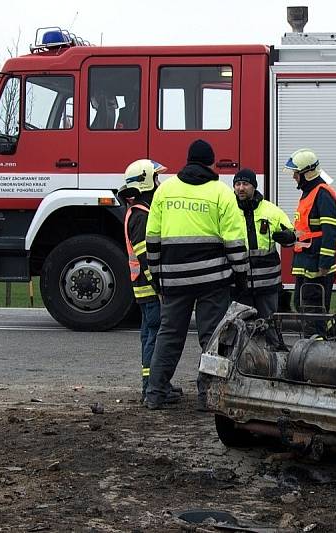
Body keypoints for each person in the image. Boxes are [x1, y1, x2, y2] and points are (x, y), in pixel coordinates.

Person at [144, 140, 248, 410]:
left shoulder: (164, 191)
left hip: (174, 280)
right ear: (211, 163)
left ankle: (154, 394)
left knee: (168, 335)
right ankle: (207, 398)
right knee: (212, 339)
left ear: (188, 161)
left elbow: (152, 239)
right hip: (213, 281)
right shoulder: (221, 193)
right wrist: (240, 276)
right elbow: (235, 241)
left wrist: (157, 276)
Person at [117, 159, 182, 403]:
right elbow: (147, 259)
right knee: (155, 336)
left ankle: (155, 383)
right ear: (145, 182)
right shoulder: (142, 217)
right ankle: (153, 387)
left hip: (144, 288)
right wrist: (159, 287)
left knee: (150, 335)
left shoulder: (136, 213)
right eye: (155, 178)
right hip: (150, 289)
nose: (159, 183)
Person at [231, 168, 295, 346]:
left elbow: (291, 236)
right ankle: (243, 361)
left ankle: (275, 359)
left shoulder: (271, 211)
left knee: (270, 327)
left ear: (254, 186)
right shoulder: (227, 210)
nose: (241, 188)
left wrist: (289, 238)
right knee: (239, 327)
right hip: (239, 283)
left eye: (245, 184)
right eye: (237, 184)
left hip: (267, 285)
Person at [284, 148, 336, 338]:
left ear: (307, 173)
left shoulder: (321, 193)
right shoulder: (308, 193)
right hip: (306, 263)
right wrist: (289, 236)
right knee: (303, 306)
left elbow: (331, 230)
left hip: (317, 266)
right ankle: (332, 337)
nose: (294, 177)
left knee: (313, 312)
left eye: (296, 173)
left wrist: (325, 261)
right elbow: (307, 229)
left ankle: (318, 352)